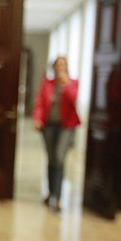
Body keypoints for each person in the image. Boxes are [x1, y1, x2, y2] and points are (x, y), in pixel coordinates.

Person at [32, 56, 81, 213]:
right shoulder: (47, 83)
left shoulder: (73, 83)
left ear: (66, 67)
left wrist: (66, 85)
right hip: (49, 126)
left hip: (66, 126)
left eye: (63, 65)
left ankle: (58, 199)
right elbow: (40, 102)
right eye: (57, 65)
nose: (60, 68)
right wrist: (37, 119)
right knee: (51, 159)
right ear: (53, 68)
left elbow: (73, 99)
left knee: (59, 158)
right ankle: (50, 193)